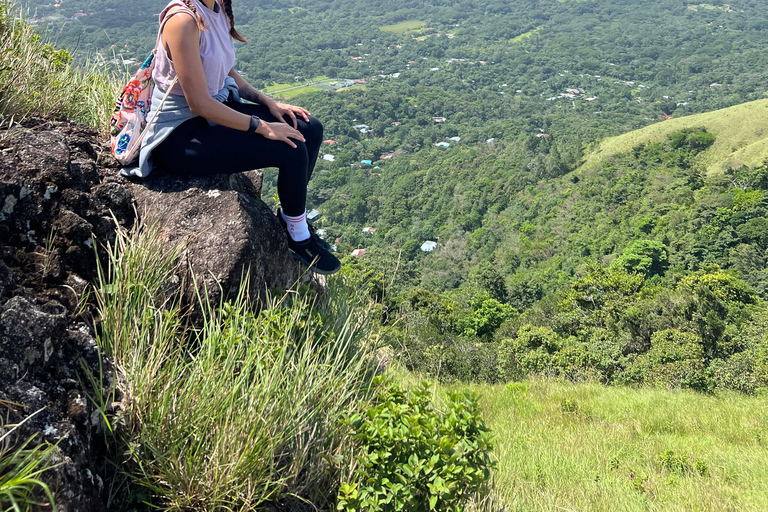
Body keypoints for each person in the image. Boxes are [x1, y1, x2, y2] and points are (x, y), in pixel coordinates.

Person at [126, 0, 340, 275]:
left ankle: (291, 216)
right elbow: (198, 104)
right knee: (292, 147)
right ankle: (297, 237)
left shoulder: (217, 9)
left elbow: (224, 69)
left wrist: (267, 102)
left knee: (308, 127)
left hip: (214, 112)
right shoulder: (183, 21)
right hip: (180, 134)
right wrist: (261, 126)